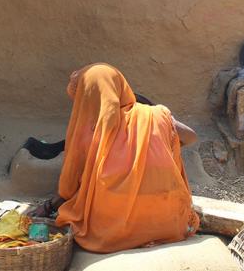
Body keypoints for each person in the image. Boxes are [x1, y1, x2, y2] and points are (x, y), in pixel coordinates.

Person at [31, 63, 199, 253]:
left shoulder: (89, 132)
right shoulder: (155, 115)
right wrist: (162, 140)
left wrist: (47, 207)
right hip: (166, 224)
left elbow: (68, 188)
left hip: (109, 231)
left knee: (83, 206)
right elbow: (191, 137)